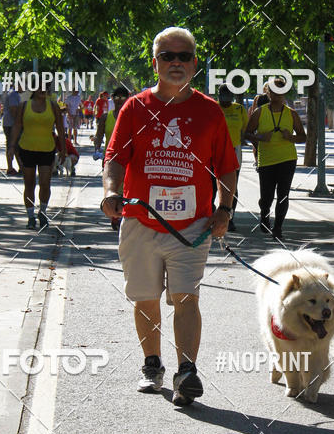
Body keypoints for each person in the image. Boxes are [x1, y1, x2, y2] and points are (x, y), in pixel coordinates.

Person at [101, 26, 238, 406]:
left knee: (186, 297)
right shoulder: (135, 107)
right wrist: (112, 193)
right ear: (156, 62)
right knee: (145, 299)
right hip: (140, 222)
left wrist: (224, 208)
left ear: (195, 62)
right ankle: (152, 364)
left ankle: (187, 371)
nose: (176, 63)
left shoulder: (210, 111)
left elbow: (227, 165)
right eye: (168, 56)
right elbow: (115, 158)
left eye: (184, 56)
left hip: (191, 228)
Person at [244, 77, 306, 241]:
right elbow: (247, 133)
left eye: (281, 91)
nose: (278, 95)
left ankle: (278, 228)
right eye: (274, 91)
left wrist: (290, 138)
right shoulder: (260, 112)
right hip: (267, 160)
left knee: (283, 194)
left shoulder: (291, 114)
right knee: (267, 196)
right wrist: (260, 137)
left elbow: (303, 137)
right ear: (268, 93)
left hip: (287, 159)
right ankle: (264, 215)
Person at [8, 86, 66, 230]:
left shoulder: (53, 106)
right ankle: (30, 217)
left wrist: (63, 149)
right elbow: (17, 125)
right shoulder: (24, 106)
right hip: (27, 148)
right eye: (39, 87)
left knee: (45, 183)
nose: (42, 90)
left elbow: (60, 127)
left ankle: (43, 212)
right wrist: (11, 146)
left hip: (47, 149)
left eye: (45, 88)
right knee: (29, 184)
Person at [94, 85, 130, 231]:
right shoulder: (105, 117)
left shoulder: (132, 116)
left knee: (126, 188)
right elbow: (99, 135)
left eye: (123, 97)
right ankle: (116, 215)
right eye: (116, 97)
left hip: (128, 158)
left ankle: (123, 215)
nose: (119, 100)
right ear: (112, 99)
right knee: (114, 186)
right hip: (110, 159)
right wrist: (97, 148)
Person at [217, 84, 248, 232]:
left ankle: (230, 218)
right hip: (214, 151)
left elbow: (246, 130)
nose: (225, 101)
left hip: (234, 150)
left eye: (228, 97)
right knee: (211, 185)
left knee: (232, 186)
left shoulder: (239, 109)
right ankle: (209, 215)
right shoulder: (213, 108)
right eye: (222, 97)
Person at [2, 85, 22, 175]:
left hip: (11, 123)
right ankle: (10, 168)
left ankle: (20, 167)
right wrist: (18, 123)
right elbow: (13, 109)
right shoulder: (13, 94)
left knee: (16, 146)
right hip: (11, 124)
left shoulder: (15, 94)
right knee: (12, 145)